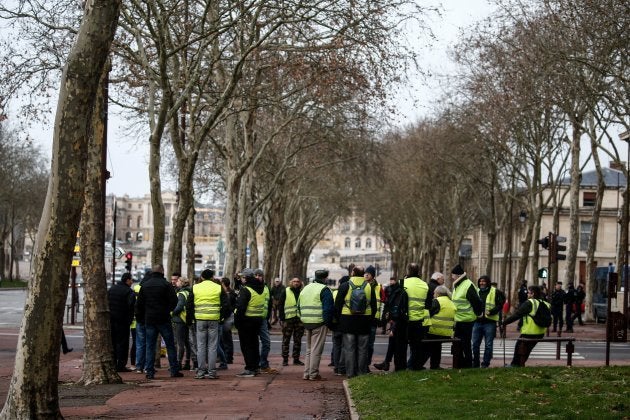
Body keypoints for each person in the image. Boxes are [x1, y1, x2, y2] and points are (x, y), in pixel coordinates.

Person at [135, 264, 181, 380]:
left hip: (150, 319)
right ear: (162, 272)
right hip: (164, 318)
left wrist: (142, 317)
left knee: (150, 345)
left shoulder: (145, 286)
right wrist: (167, 309)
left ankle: (149, 371)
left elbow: (139, 305)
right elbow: (174, 301)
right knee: (170, 345)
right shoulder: (166, 285)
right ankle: (174, 370)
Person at [334, 265, 377, 378]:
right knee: (363, 349)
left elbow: (337, 304)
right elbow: (374, 306)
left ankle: (350, 373)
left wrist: (339, 320)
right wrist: (371, 319)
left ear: (353, 272)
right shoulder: (368, 286)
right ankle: (361, 372)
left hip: (347, 320)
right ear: (363, 274)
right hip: (364, 320)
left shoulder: (345, 285)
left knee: (349, 348)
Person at [191, 269, 229, 379]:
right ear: (212, 277)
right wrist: (221, 316)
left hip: (200, 319)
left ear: (202, 277)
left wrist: (192, 318)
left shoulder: (195, 287)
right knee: (212, 346)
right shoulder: (218, 287)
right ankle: (212, 372)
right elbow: (226, 304)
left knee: (201, 346)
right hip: (214, 319)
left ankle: (201, 372)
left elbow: (190, 304)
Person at [298, 269, 334, 381]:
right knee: (316, 350)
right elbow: (328, 309)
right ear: (325, 278)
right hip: (319, 322)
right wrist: (329, 324)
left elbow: (298, 306)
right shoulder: (325, 289)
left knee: (309, 349)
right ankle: (313, 374)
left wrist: (303, 319)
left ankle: (306, 373)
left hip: (306, 322)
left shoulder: (306, 288)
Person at [503, 285, 550, 367]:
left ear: (533, 294)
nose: (527, 294)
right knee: (527, 349)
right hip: (541, 331)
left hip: (530, 331)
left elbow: (517, 314)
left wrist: (505, 322)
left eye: (528, 293)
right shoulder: (545, 303)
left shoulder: (529, 303)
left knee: (519, 347)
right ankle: (520, 364)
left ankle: (515, 365)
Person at [234, 268, 265, 377]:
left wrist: (237, 322)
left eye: (242, 277)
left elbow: (241, 307)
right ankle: (255, 367)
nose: (241, 279)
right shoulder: (261, 288)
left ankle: (250, 369)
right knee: (254, 344)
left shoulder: (246, 289)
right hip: (257, 319)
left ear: (246, 278)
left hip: (246, 321)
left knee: (246, 346)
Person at [451, 264, 483, 368]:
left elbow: (476, 301)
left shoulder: (467, 285)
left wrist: (479, 314)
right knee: (458, 344)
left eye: (453, 275)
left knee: (465, 344)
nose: (452, 277)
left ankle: (467, 365)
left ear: (458, 276)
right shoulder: (458, 284)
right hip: (459, 319)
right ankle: (460, 363)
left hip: (466, 320)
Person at [373, 277, 408, 372]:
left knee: (396, 343)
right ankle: (388, 363)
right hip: (402, 321)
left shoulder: (398, 292)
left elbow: (397, 310)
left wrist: (393, 327)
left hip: (399, 322)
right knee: (394, 343)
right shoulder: (398, 291)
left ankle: (393, 365)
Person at [418, 285, 455, 369]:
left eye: (434, 292)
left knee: (426, 348)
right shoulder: (451, 302)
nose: (433, 294)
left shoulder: (437, 301)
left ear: (438, 293)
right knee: (437, 347)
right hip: (446, 333)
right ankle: (435, 365)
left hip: (434, 331)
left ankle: (418, 365)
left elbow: (429, 313)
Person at [472, 275, 504, 368]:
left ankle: (485, 363)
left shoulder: (495, 291)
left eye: (484, 281)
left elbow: (500, 304)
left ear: (488, 282)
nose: (482, 283)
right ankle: (476, 363)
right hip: (477, 321)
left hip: (490, 322)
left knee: (488, 345)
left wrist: (491, 312)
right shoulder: (476, 291)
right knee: (475, 344)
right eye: (480, 281)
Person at [404, 263, 431, 370]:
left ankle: (404, 366)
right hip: (419, 320)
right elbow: (428, 305)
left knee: (402, 345)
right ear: (418, 271)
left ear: (408, 271)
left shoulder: (403, 283)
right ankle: (413, 366)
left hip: (405, 320)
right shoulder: (425, 285)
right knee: (416, 346)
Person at [108, 272, 136, 372]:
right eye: (131, 280)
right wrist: (129, 320)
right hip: (123, 321)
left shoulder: (112, 289)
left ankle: (113, 363)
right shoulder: (129, 292)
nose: (132, 281)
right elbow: (131, 307)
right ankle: (121, 365)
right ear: (127, 280)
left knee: (113, 342)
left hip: (111, 320)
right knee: (123, 344)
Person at [255, 269, 277, 374]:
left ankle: (263, 364)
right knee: (252, 344)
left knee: (266, 343)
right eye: (256, 275)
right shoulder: (251, 287)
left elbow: (268, 305)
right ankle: (255, 365)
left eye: (260, 275)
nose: (258, 277)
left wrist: (268, 318)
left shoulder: (266, 288)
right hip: (252, 319)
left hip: (263, 320)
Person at [279, 276, 305, 366]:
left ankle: (296, 359)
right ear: (291, 282)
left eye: (298, 281)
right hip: (288, 319)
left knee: (298, 340)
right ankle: (285, 359)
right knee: (286, 340)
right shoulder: (285, 291)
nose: (296, 283)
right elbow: (281, 305)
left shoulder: (303, 292)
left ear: (300, 283)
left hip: (299, 320)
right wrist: (282, 318)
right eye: (294, 281)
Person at [171, 276, 193, 371]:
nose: (177, 282)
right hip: (186, 319)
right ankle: (187, 362)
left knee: (180, 343)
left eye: (179, 281)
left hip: (179, 320)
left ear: (182, 283)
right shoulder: (189, 292)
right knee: (187, 342)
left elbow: (179, 307)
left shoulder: (181, 293)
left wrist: (171, 313)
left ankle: (178, 363)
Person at [364, 265, 382, 368]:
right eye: (365, 273)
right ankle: (361, 364)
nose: (366, 274)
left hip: (373, 319)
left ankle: (367, 364)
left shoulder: (378, 287)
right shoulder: (361, 285)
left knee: (370, 344)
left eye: (369, 273)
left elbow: (383, 302)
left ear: (373, 276)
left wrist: (381, 319)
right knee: (362, 344)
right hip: (363, 318)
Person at [220, 277, 237, 364]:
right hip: (229, 316)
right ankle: (227, 356)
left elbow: (228, 306)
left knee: (226, 337)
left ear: (223, 284)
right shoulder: (231, 293)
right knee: (225, 337)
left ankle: (228, 357)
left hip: (227, 317)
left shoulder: (228, 294)